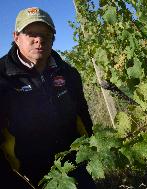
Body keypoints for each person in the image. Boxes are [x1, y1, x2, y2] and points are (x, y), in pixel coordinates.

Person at [0, 7, 93, 188]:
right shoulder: (2, 78)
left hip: (72, 166)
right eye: (31, 33)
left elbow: (82, 116)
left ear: (53, 38)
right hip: (25, 176)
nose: (39, 40)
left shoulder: (68, 73)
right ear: (16, 37)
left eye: (46, 34)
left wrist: (90, 153)